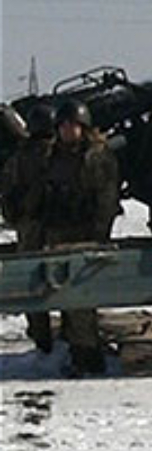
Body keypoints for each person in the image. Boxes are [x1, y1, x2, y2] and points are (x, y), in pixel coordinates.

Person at [40, 100, 122, 375]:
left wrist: (98, 236)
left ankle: (88, 357)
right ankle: (76, 347)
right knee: (65, 296)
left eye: (72, 125)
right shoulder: (53, 155)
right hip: (59, 232)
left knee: (82, 300)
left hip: (84, 234)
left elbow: (106, 199)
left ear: (83, 127)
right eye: (62, 125)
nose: (66, 130)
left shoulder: (96, 156)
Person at [0, 103, 56, 353]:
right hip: (59, 227)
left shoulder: (18, 159)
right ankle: (75, 341)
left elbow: (8, 195)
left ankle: (43, 341)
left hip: (29, 227)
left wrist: (17, 218)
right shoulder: (60, 154)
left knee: (33, 285)